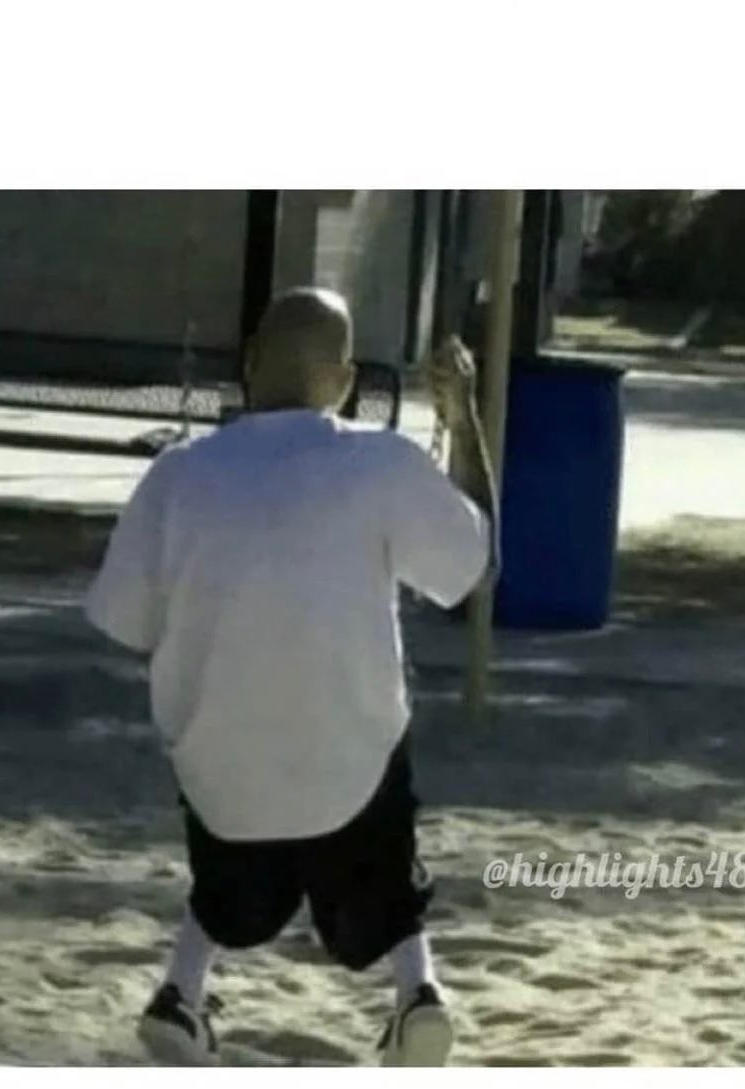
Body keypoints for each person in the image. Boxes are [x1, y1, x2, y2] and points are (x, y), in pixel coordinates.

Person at [85, 287, 497, 1066]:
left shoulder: (177, 474)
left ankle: (181, 992)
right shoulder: (379, 462)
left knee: (229, 865)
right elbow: (476, 565)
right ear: (344, 382)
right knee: (380, 838)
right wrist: (462, 415)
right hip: (351, 774)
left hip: (222, 785)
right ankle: (417, 992)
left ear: (249, 364)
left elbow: (127, 624)